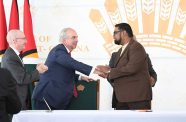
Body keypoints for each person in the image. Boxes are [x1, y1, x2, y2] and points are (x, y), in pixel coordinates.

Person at [32, 27, 99, 110]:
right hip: (48, 99)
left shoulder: (64, 52)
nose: (77, 40)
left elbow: (61, 72)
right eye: (73, 37)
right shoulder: (58, 51)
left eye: (77, 37)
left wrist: (80, 77)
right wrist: (95, 70)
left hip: (56, 100)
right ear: (64, 40)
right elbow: (72, 63)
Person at [97, 23, 152, 110]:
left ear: (124, 33)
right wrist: (107, 73)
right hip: (121, 99)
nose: (113, 36)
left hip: (137, 99)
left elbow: (131, 68)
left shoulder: (136, 47)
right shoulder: (120, 51)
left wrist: (110, 71)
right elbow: (119, 72)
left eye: (115, 33)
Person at [1, 30, 48, 110]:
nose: (26, 41)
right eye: (23, 38)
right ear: (14, 41)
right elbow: (22, 79)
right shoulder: (10, 57)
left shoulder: (14, 55)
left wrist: (37, 71)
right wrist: (38, 71)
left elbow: (21, 75)